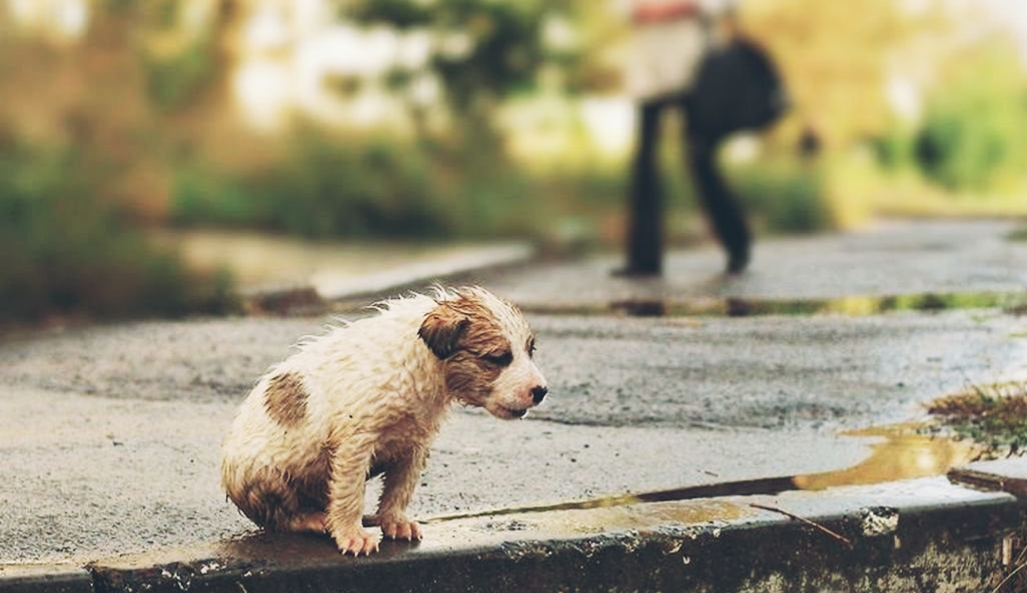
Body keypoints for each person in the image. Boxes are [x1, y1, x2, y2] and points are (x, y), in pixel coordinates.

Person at [616, 0, 784, 276]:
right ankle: (644, 258)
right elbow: (622, 9)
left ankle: (736, 242)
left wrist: (673, 7)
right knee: (645, 162)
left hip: (696, 65)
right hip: (648, 69)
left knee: (700, 157)